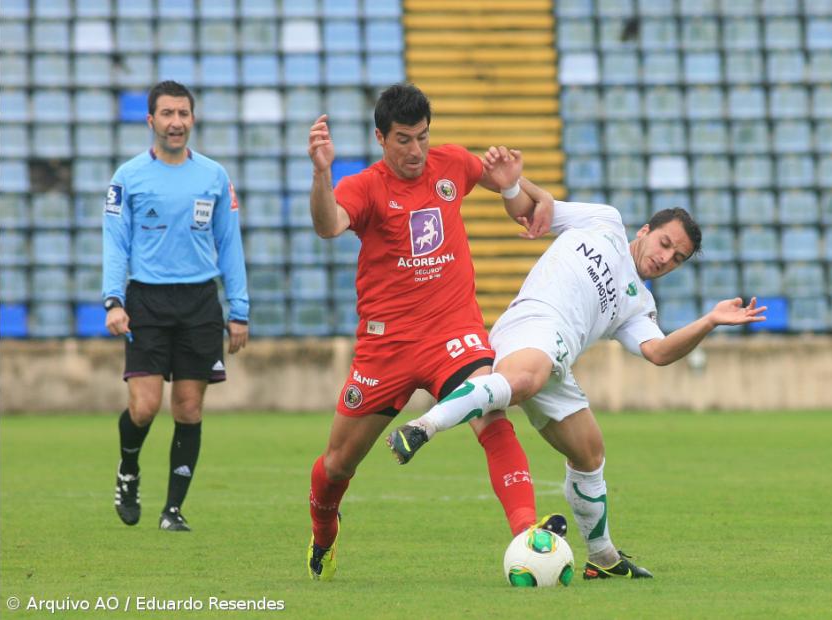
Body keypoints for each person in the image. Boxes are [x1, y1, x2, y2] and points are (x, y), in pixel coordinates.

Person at [389, 171, 767, 580]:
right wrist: (515, 185)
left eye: (676, 258)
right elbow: (534, 210)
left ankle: (602, 559)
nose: (664, 258)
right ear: (644, 230)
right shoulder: (604, 220)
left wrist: (709, 320)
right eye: (665, 243)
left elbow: (658, 352)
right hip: (532, 323)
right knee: (525, 381)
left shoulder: (639, 304)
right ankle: (422, 426)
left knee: (589, 453)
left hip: (558, 359)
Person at [305, 83, 561, 581]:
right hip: (388, 345)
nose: (417, 151)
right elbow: (327, 225)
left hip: (453, 332)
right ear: (381, 138)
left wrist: (527, 189)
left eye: (423, 137)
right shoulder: (365, 186)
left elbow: (517, 199)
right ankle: (323, 533)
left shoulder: (452, 164)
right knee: (337, 464)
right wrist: (320, 174)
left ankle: (529, 534)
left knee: (492, 414)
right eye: (404, 139)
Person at [102, 80, 249, 532]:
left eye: (183, 114)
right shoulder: (128, 177)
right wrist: (114, 299)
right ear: (151, 121)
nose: (176, 122)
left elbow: (229, 244)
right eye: (167, 114)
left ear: (193, 118)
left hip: (199, 301)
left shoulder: (213, 176)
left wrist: (238, 309)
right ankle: (128, 470)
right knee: (145, 407)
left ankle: (173, 510)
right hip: (147, 299)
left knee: (188, 408)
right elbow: (116, 242)